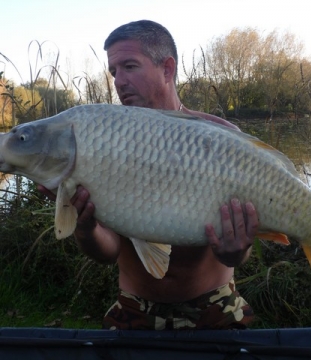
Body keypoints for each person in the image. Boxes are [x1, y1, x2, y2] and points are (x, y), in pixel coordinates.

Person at [39, 20, 259, 330]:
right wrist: (85, 228)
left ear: (167, 69)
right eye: (114, 71)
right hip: (134, 308)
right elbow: (109, 250)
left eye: (129, 66)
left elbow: (239, 254)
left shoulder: (222, 139)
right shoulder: (105, 145)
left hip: (216, 305)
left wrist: (240, 249)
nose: (119, 81)